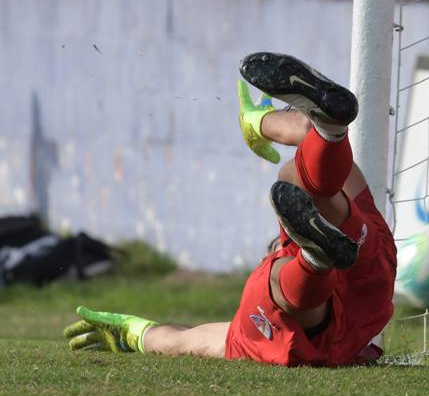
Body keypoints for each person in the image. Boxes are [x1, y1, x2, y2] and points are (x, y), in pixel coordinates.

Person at [62, 52, 396, 367]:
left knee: (299, 187)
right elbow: (182, 341)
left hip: (362, 286)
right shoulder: (245, 323)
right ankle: (327, 135)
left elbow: (185, 342)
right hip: (356, 270)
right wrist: (261, 122)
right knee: (300, 178)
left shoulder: (243, 329)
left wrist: (134, 335)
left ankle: (329, 148)